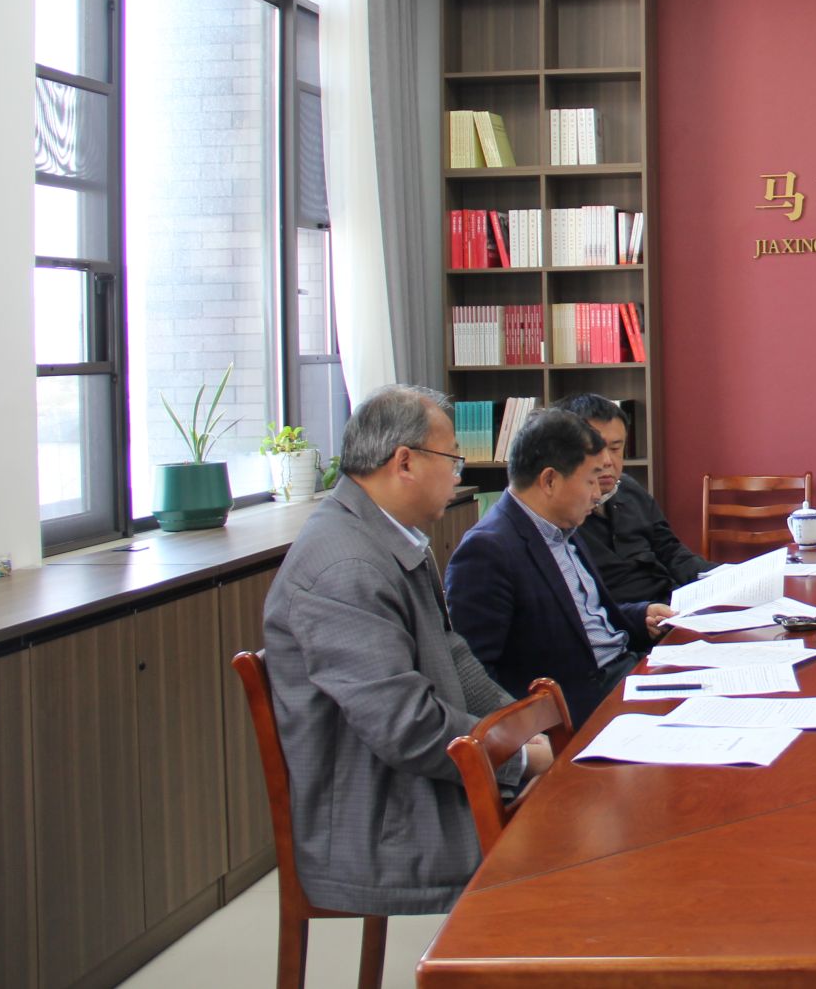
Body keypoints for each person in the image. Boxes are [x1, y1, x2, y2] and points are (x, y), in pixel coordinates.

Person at [262, 384, 551, 915]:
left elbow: (455, 658)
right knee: (577, 844)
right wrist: (519, 759)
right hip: (386, 818)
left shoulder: (383, 536)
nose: (458, 475)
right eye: (452, 460)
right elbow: (406, 727)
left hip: (415, 785)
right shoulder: (346, 566)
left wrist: (524, 726)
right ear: (405, 462)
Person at [447, 409, 644, 722]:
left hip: (626, 670)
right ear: (550, 480)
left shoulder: (563, 527)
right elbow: (475, 676)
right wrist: (528, 735)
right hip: (581, 707)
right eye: (590, 480)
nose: (597, 494)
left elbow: (582, 621)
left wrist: (642, 615)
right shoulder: (487, 550)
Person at [555, 393, 716, 642]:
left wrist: (725, 577)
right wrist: (641, 616)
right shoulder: (562, 518)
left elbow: (672, 552)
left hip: (675, 610)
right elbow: (583, 611)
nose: (608, 461)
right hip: (631, 628)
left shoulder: (629, 488)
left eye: (616, 448)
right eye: (596, 449)